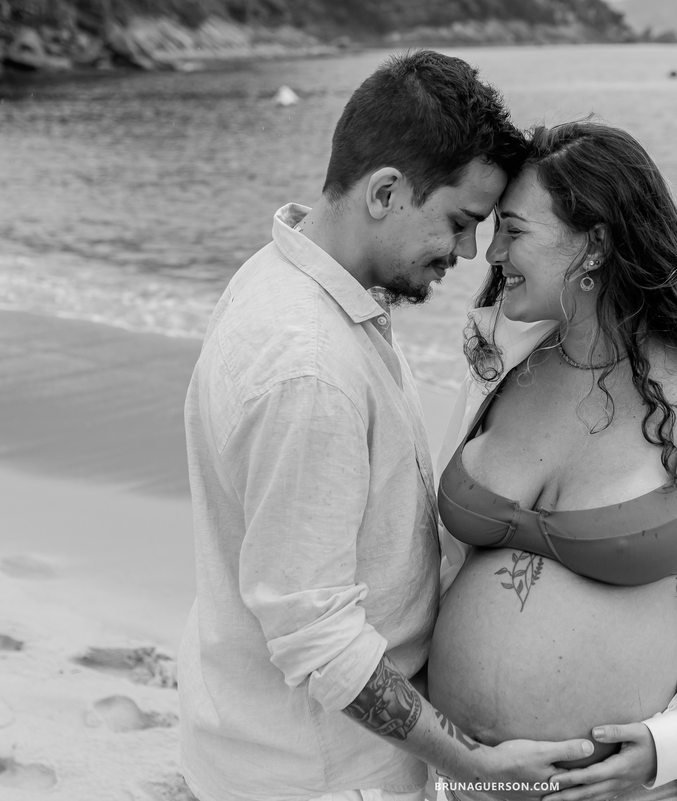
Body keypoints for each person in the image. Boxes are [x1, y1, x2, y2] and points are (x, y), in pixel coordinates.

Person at [178, 52, 595, 801]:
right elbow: (318, 638)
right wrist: (470, 761)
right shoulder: (310, 368)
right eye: (460, 223)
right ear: (386, 193)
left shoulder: (291, 278)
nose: (470, 254)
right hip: (320, 775)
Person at [429, 121, 677, 801]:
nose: (491, 252)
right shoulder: (498, 366)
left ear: (596, 243)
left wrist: (676, 742)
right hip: (458, 782)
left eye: (515, 230)